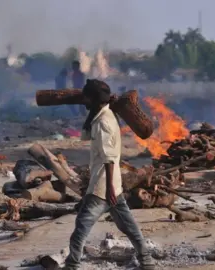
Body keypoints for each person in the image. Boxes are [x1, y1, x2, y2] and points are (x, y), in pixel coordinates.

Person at [63, 79, 155, 270]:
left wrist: (110, 190)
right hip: (112, 184)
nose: (84, 101)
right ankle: (147, 261)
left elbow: (109, 157)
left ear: (94, 99)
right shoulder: (103, 116)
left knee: (81, 227)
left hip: (103, 187)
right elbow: (85, 136)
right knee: (128, 226)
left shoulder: (104, 122)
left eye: (87, 97)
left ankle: (72, 265)